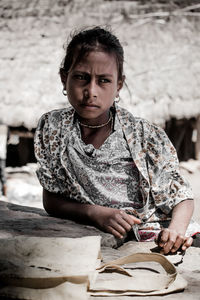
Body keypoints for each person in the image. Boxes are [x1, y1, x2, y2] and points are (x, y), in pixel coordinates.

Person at [34, 26, 198, 255]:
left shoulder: (144, 136)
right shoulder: (53, 128)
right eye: (81, 77)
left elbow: (182, 197)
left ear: (119, 85)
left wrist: (176, 231)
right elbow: (51, 200)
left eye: (104, 81)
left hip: (155, 237)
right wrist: (94, 212)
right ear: (64, 78)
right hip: (95, 239)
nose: (91, 91)